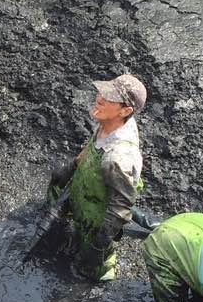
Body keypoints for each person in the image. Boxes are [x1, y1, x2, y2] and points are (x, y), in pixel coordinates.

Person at [48, 74, 146, 282]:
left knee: (91, 267)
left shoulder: (118, 157)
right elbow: (92, 145)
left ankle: (97, 280)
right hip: (87, 195)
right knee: (75, 236)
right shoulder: (108, 121)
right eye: (103, 92)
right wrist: (72, 167)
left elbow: (121, 206)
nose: (99, 98)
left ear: (125, 111)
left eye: (109, 98)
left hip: (99, 216)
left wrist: (100, 243)